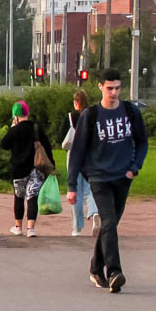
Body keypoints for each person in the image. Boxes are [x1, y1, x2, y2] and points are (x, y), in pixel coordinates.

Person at [66, 69, 149, 294]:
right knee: (108, 222)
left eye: (117, 88)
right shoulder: (90, 115)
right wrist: (72, 186)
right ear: (101, 87)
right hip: (99, 177)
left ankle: (95, 267)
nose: (114, 92)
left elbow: (142, 143)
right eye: (109, 88)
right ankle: (114, 272)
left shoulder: (131, 112)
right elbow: (78, 152)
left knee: (110, 226)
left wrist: (134, 168)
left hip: (123, 177)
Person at [0, 100, 54, 237]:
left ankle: (18, 227)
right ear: (27, 113)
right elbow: (47, 147)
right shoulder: (36, 128)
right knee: (32, 197)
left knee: (19, 197)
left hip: (18, 170)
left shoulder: (15, 130)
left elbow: (4, 145)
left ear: (15, 115)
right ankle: (31, 229)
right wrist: (52, 165)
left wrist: (12, 127)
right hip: (37, 169)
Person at [63, 89, 100, 237]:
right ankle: (95, 213)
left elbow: (62, 137)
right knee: (90, 190)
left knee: (75, 192)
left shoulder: (71, 117)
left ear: (76, 103)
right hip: (90, 156)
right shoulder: (93, 116)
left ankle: (76, 228)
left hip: (73, 156)